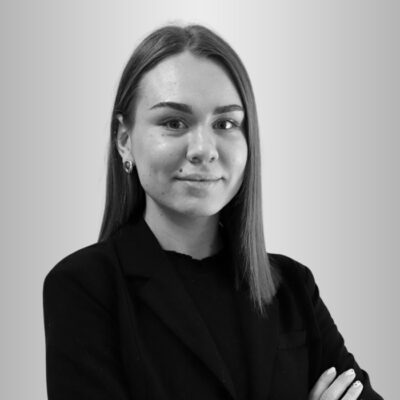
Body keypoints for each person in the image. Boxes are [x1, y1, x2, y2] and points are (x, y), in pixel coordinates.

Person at [42, 24, 383, 400]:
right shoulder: (85, 288)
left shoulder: (293, 286)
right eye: (174, 123)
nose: (203, 149)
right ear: (124, 140)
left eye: (225, 124)